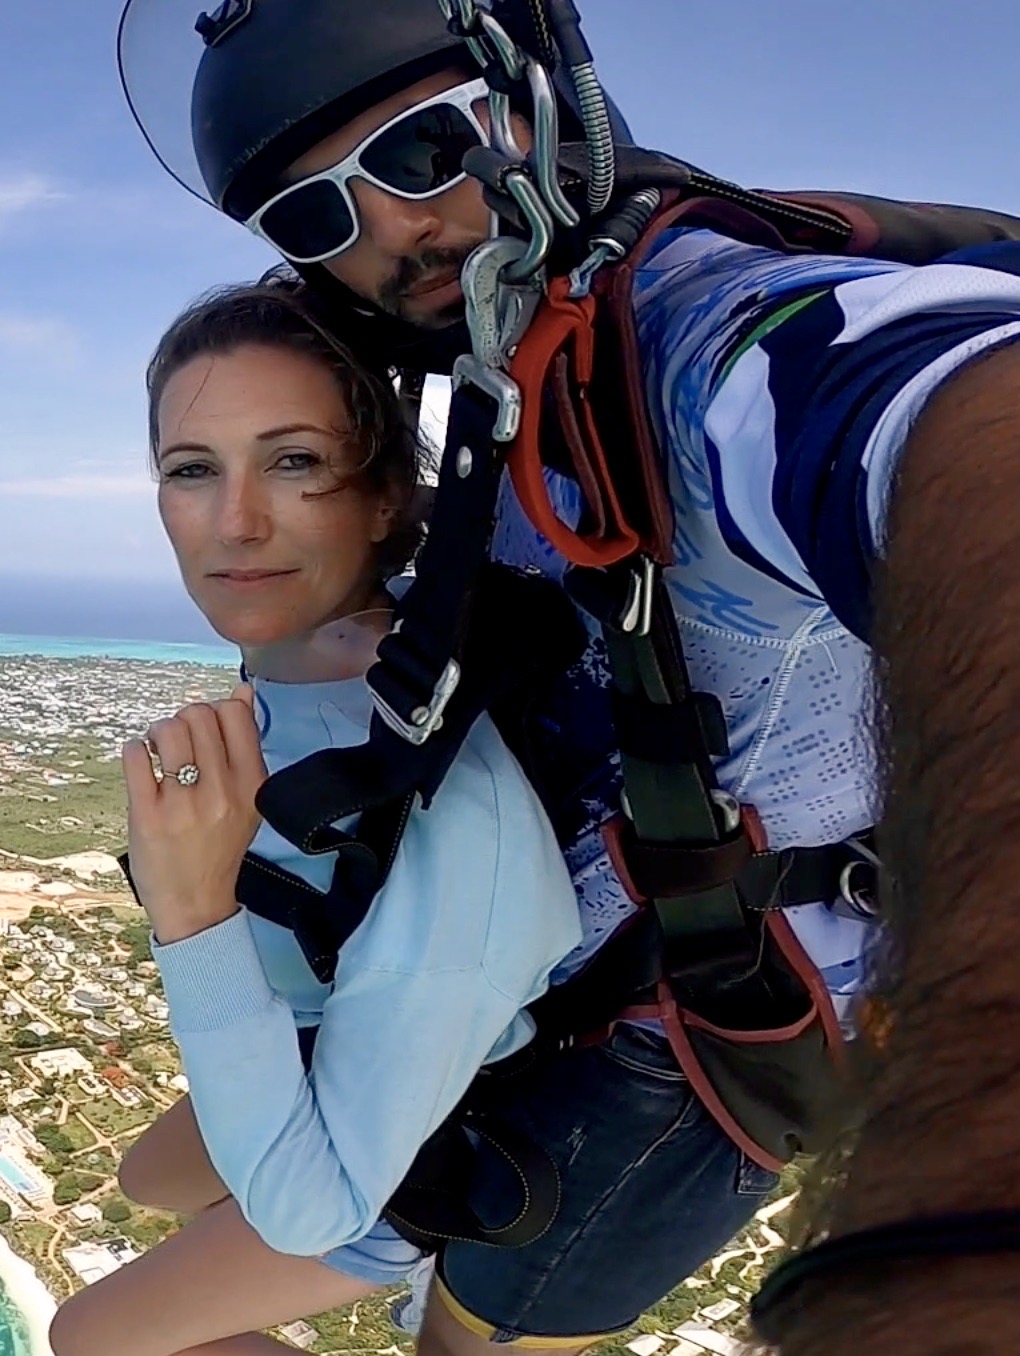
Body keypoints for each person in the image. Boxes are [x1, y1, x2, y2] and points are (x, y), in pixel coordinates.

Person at [116, 0, 1020, 1356]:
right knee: (150, 1182)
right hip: (538, 998)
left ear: (531, 110)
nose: (387, 230)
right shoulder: (512, 382)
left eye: (418, 152)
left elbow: (933, 406)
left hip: (670, 1071)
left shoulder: (686, 333)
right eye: (311, 217)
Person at [47, 280, 640, 1356]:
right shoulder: (331, 657)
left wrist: (191, 917)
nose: (236, 521)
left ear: (380, 500)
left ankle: (411, 1279)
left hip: (418, 1136)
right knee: (149, 1177)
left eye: (294, 461)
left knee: (94, 1337)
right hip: (331, 1033)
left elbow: (310, 1206)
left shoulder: (450, 808)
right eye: (193, 469)